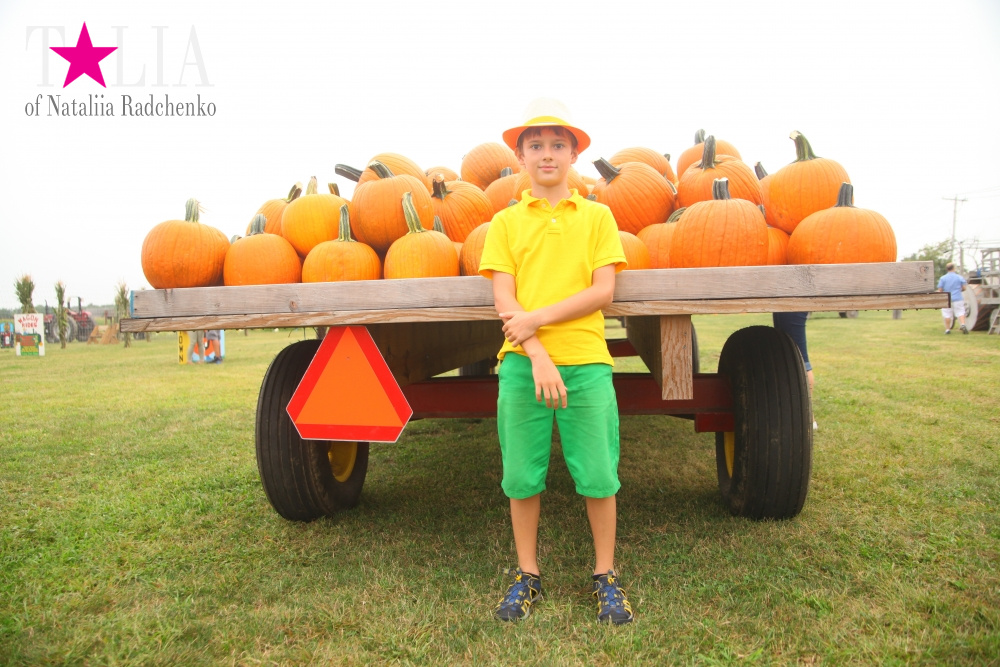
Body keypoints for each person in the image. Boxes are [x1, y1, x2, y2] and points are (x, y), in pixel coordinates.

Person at [478, 99, 633, 624]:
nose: (547, 154)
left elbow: (603, 291)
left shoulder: (597, 216)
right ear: (520, 155)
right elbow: (505, 299)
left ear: (573, 154)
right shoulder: (503, 222)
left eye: (558, 145)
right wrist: (537, 353)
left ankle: (606, 575)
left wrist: (537, 321)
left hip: (588, 362)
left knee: (598, 473)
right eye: (536, 145)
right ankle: (527, 574)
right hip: (523, 365)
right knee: (522, 475)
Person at [772, 312, 817, 430]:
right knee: (789, 353)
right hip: (786, 302)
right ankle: (796, 413)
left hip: (793, 302)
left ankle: (807, 416)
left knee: (799, 358)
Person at [937, 262, 969, 334]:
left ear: (947, 269)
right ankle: (963, 324)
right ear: (954, 268)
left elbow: (940, 289)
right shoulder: (959, 277)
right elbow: (964, 288)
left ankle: (948, 329)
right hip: (958, 298)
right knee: (960, 312)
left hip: (947, 298)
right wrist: (960, 290)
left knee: (947, 314)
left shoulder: (943, 278)